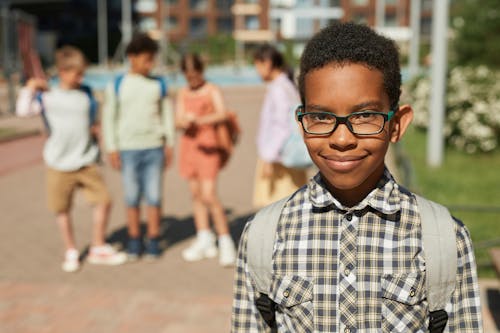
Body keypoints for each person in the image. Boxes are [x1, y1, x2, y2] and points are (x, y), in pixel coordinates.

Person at [232, 22, 482, 332]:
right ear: (302, 123)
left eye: (365, 116)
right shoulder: (263, 237)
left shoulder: (444, 239)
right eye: (321, 117)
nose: (341, 139)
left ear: (397, 124)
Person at [16, 46, 127, 272]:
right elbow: (23, 111)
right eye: (77, 73)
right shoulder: (48, 97)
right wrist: (30, 87)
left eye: (82, 73)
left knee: (104, 200)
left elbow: (92, 123)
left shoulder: (86, 94)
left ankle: (97, 246)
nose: (81, 78)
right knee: (62, 209)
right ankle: (71, 250)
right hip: (58, 163)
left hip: (86, 160)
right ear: (63, 71)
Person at [102, 33, 175, 261]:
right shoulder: (117, 84)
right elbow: (109, 118)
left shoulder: (159, 84)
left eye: (152, 59)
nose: (150, 64)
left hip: (154, 147)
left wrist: (169, 143)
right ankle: (134, 239)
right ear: (132, 57)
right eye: (146, 59)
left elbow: (167, 115)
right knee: (132, 197)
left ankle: (153, 239)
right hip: (128, 150)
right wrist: (112, 148)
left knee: (154, 197)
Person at [175, 53, 236, 267]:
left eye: (195, 75)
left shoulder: (211, 90)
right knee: (195, 194)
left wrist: (200, 120)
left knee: (209, 194)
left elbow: (222, 114)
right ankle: (204, 236)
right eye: (188, 76)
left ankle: (225, 239)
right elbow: (178, 120)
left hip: (209, 145)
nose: (192, 79)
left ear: (201, 71)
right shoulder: (183, 92)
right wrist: (185, 122)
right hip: (189, 146)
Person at [252, 44, 308, 208]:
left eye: (257, 66)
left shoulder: (278, 88)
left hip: (278, 158)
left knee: (276, 208)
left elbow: (281, 126)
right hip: (286, 155)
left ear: (267, 63)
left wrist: (269, 157)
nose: (257, 71)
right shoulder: (287, 85)